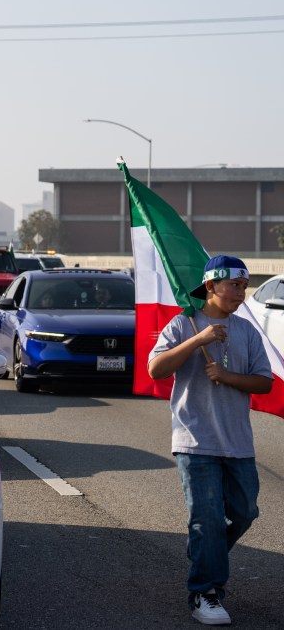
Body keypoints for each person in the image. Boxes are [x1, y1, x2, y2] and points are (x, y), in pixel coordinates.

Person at [147, 255, 272, 626]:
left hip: (238, 443)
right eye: (235, 285)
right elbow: (156, 369)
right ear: (212, 286)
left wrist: (229, 375)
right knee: (208, 520)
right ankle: (205, 591)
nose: (241, 293)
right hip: (194, 440)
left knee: (245, 512)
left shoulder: (247, 331)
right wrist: (198, 339)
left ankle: (206, 551)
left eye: (244, 286)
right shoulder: (182, 324)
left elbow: (263, 382)